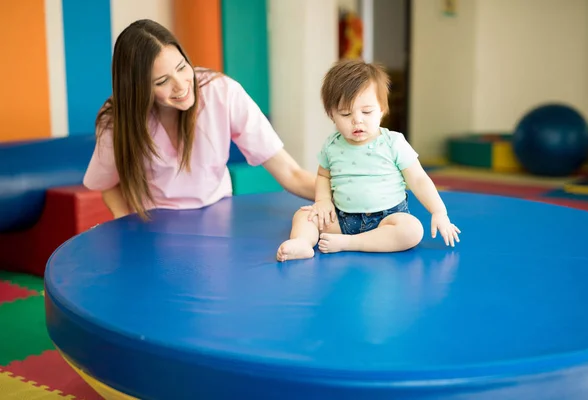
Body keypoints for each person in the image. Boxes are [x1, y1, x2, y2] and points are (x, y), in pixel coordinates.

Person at [83, 19, 315, 220]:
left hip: (218, 217)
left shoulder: (221, 92)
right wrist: (125, 222)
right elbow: (107, 184)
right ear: (139, 90)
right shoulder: (118, 118)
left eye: (182, 67)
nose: (182, 85)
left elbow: (291, 174)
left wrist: (343, 193)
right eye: (162, 81)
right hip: (154, 226)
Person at [276, 59, 461, 261]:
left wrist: (438, 212)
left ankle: (349, 243)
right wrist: (322, 201)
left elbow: (418, 179)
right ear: (332, 115)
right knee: (304, 216)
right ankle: (303, 244)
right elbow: (322, 175)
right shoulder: (332, 145)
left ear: (382, 109)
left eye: (367, 111)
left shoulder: (393, 142)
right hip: (343, 219)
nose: (357, 120)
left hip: (387, 219)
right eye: (346, 113)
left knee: (412, 230)